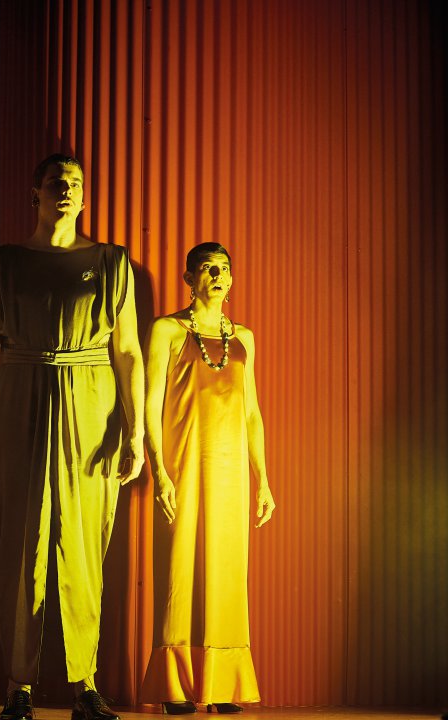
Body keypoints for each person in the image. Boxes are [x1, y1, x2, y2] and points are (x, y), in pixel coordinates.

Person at [0, 153, 145, 720]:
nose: (67, 189)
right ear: (35, 193)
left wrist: (134, 431)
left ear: (85, 197)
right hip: (21, 392)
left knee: (84, 542)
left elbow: (128, 350)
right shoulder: (5, 262)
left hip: (91, 400)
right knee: (20, 540)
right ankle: (19, 686)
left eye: (76, 183)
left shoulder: (111, 261)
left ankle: (85, 683)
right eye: (57, 181)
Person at [138, 242, 276, 715]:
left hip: (231, 472)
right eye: (207, 269)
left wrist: (263, 479)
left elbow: (252, 412)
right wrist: (159, 469)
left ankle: (221, 685)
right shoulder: (167, 330)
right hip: (184, 465)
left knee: (226, 571)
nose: (218, 276)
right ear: (189, 278)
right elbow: (151, 402)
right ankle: (176, 687)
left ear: (231, 280)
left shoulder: (245, 338)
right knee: (180, 568)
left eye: (224, 269)